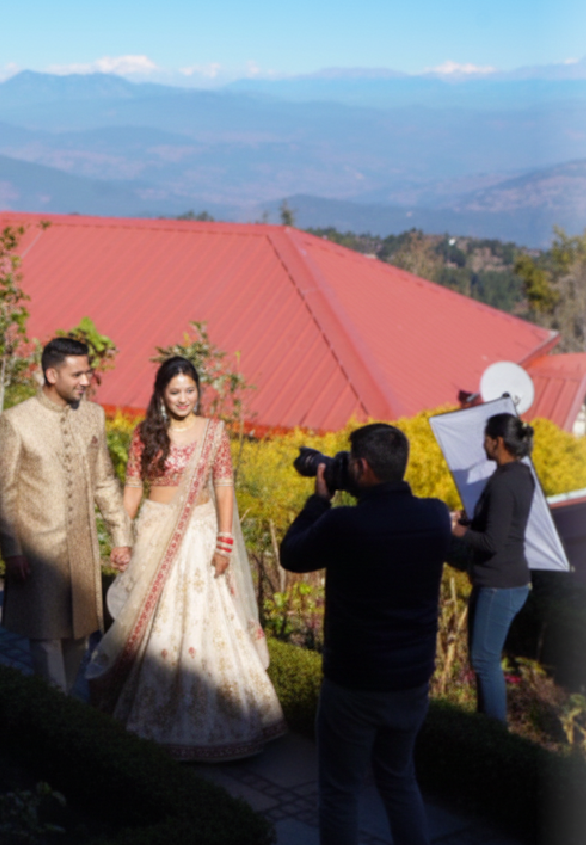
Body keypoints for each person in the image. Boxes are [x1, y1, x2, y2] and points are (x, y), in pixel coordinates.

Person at [86, 356, 285, 761]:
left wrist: (224, 541)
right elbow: (133, 492)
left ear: (199, 390)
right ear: (161, 393)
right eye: (174, 391)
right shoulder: (145, 434)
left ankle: (220, 724)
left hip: (200, 534)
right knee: (154, 623)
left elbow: (225, 488)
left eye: (190, 390)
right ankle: (154, 716)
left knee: (206, 620)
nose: (183, 398)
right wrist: (121, 537)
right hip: (156, 531)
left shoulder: (214, 433)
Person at [280, 424, 451, 845]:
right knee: (399, 779)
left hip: (355, 682)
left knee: (341, 790)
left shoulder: (345, 524)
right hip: (411, 680)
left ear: (360, 466)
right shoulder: (433, 515)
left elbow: (292, 554)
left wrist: (320, 501)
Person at [0, 337, 132, 694]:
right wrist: (12, 549)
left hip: (82, 546)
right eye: (78, 374)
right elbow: (4, 491)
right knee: (45, 634)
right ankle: (54, 709)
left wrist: (120, 536)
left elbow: (104, 481)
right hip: (38, 550)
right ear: (52, 374)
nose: (86, 381)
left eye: (88, 373)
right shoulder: (16, 421)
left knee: (80, 632)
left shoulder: (93, 415)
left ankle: (62, 708)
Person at [450, 412, 535, 725]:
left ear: (498, 442)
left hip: (499, 583)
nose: (483, 443)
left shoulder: (503, 483)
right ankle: (486, 728)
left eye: (486, 437)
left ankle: (494, 734)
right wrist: (470, 521)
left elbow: (492, 541)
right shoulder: (520, 475)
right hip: (507, 580)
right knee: (482, 657)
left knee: (485, 661)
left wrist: (458, 532)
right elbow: (503, 525)